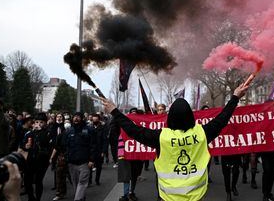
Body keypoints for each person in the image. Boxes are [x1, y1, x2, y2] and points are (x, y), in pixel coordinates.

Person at [103, 83, 248, 201]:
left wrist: (115, 111)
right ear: (190, 117)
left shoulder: (162, 137)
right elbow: (221, 119)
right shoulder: (202, 133)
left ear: (170, 117)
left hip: (168, 196)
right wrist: (235, 97)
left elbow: (133, 130)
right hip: (196, 195)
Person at [62, 112, 96, 201]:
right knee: (75, 184)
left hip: (85, 162)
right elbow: (65, 146)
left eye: (78, 117)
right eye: (74, 117)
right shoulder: (69, 131)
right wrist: (66, 157)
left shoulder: (89, 130)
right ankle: (81, 198)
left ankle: (77, 199)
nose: (76, 118)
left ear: (82, 118)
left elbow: (93, 145)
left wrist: (92, 160)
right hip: (72, 162)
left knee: (82, 183)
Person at [21, 112, 52, 201]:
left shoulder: (47, 133)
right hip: (30, 159)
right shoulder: (29, 132)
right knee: (27, 181)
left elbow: (46, 143)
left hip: (42, 160)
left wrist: (38, 132)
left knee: (38, 181)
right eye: (37, 122)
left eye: (41, 122)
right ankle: (31, 197)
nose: (39, 124)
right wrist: (25, 146)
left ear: (45, 123)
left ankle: (38, 198)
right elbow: (22, 143)